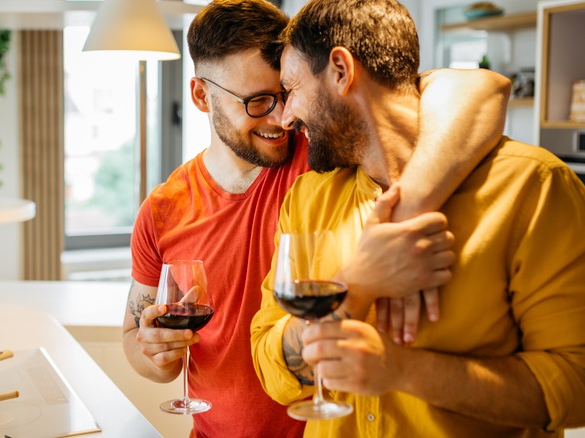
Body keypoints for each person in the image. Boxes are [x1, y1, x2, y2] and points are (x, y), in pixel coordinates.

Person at [124, 1, 511, 437]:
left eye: (286, 92)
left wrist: (411, 206)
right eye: (258, 101)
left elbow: (480, 88)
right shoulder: (163, 208)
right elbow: (134, 338)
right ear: (200, 95)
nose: (282, 118)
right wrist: (156, 354)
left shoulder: (325, 152)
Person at [250, 0, 585, 436]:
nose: (286, 117)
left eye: (291, 89)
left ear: (341, 70)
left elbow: (575, 386)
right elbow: (270, 370)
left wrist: (403, 371)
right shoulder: (307, 198)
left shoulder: (533, 186)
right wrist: (356, 286)